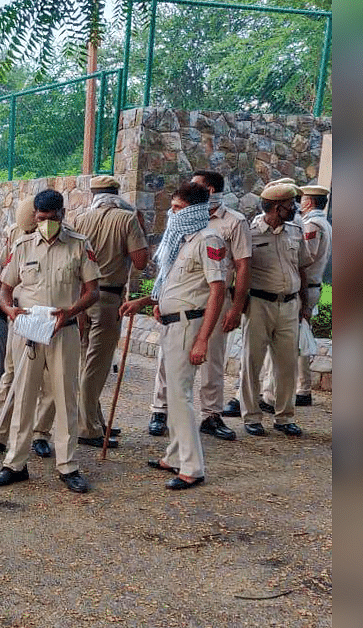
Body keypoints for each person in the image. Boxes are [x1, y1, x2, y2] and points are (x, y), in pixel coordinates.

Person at [0, 190, 100, 494]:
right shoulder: (22, 245)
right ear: (35, 215)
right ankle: (15, 464)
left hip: (64, 330)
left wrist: (71, 311)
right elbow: (5, 288)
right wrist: (9, 310)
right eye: (41, 217)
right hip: (28, 331)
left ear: (62, 214)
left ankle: (68, 466)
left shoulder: (79, 245)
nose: (46, 223)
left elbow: (93, 291)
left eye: (51, 218)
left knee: (65, 397)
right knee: (22, 396)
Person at [121, 182, 227, 489]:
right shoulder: (183, 241)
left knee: (180, 397)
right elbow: (175, 286)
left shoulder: (209, 239)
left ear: (194, 210)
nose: (172, 213)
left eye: (178, 208)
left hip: (188, 326)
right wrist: (144, 302)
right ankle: (175, 454)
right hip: (171, 323)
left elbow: (217, 290)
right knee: (173, 394)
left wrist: (203, 338)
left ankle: (192, 468)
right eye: (173, 207)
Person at [148, 170, 250, 441]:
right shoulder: (180, 228)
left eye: (195, 187)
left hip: (210, 303)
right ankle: (161, 410)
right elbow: (167, 267)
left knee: (212, 359)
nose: (174, 212)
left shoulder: (229, 224)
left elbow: (241, 266)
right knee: (167, 362)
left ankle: (210, 415)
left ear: (211, 192)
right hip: (179, 307)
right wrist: (156, 299)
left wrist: (236, 308)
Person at [70, 175, 148, 449]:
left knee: (85, 360)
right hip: (108, 297)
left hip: (82, 297)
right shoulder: (126, 219)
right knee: (97, 366)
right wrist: (141, 229)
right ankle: (87, 427)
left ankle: (93, 420)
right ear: (117, 193)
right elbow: (140, 261)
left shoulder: (80, 219)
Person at [0, 198, 50, 459]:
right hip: (17, 314)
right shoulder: (15, 234)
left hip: (48, 317)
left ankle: (40, 433)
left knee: (47, 381)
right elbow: (4, 268)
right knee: (10, 375)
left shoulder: (62, 235)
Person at [238, 183, 313, 437]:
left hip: (290, 305)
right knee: (252, 362)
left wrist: (305, 306)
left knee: (287, 363)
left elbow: (302, 268)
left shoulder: (295, 230)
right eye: (290, 204)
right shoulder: (250, 233)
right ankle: (251, 416)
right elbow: (239, 271)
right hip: (259, 304)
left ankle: (285, 417)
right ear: (276, 207)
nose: (294, 208)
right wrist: (240, 305)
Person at [274, 184, 331, 406]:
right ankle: (301, 388)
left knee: (295, 340)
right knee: (299, 338)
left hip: (305, 287)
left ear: (308, 202)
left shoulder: (312, 225)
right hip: (311, 286)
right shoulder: (322, 222)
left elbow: (306, 257)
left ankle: (302, 389)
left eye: (302, 199)